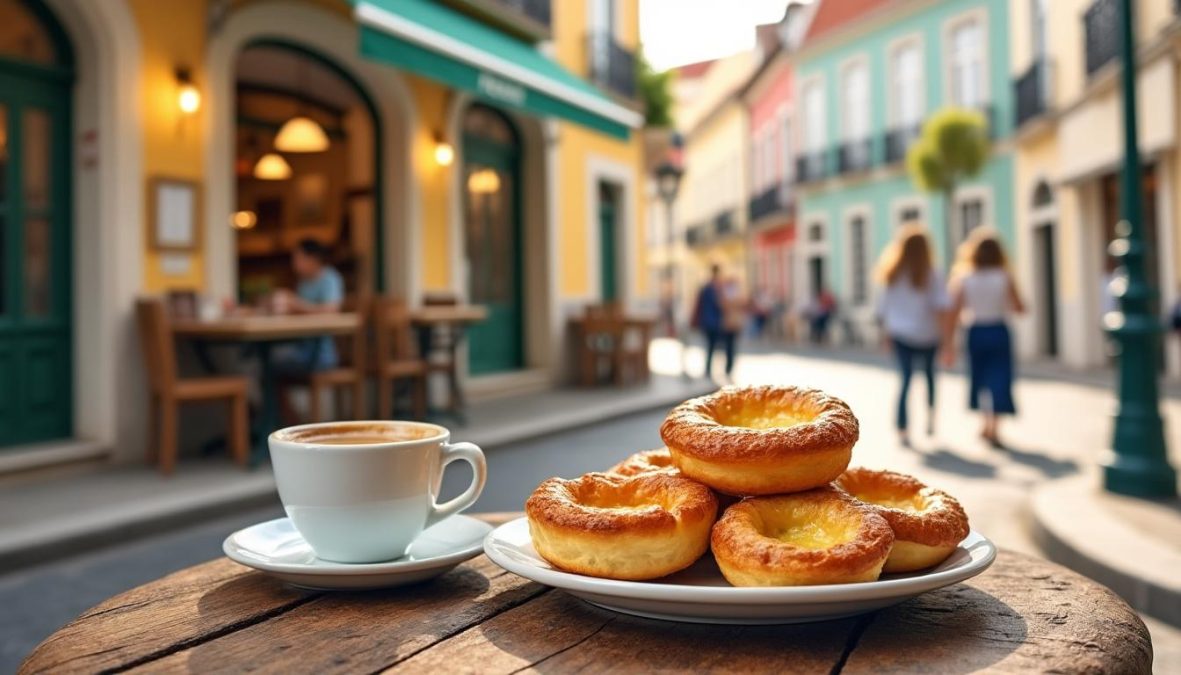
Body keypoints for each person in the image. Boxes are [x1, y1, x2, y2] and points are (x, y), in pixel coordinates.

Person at [943, 229, 1025, 447]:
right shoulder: (1004, 276)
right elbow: (1020, 307)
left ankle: (985, 423)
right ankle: (994, 427)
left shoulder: (965, 278)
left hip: (976, 331)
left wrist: (948, 344)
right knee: (1000, 378)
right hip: (999, 330)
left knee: (979, 378)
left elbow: (953, 313)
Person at [875, 225, 950, 446]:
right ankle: (930, 417)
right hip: (928, 334)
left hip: (901, 334)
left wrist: (885, 336)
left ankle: (902, 428)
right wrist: (946, 339)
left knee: (905, 380)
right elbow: (941, 307)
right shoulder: (933, 273)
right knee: (929, 378)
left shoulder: (892, 273)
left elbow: (883, 309)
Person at [272, 238, 345, 374]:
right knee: (268, 356)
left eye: (298, 259)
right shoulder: (304, 282)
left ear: (313, 259)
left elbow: (332, 311)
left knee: (268, 360)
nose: (294, 264)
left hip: (320, 353)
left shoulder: (330, 278)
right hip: (302, 346)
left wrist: (297, 305)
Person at [692, 264, 738, 381]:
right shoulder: (715, 288)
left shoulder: (707, 287)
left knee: (711, 347)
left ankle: (710, 370)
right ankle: (718, 370)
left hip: (709, 321)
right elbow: (720, 304)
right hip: (715, 322)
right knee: (716, 346)